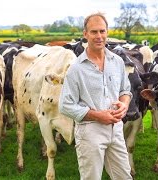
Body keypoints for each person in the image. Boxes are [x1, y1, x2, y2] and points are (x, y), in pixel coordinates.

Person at [59, 12, 133, 180]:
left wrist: (124, 104)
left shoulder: (117, 62)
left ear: (107, 32)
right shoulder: (76, 69)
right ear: (85, 34)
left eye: (102, 31)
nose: (99, 36)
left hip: (116, 129)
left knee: (124, 177)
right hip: (90, 131)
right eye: (94, 32)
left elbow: (125, 90)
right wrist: (98, 115)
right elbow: (65, 105)